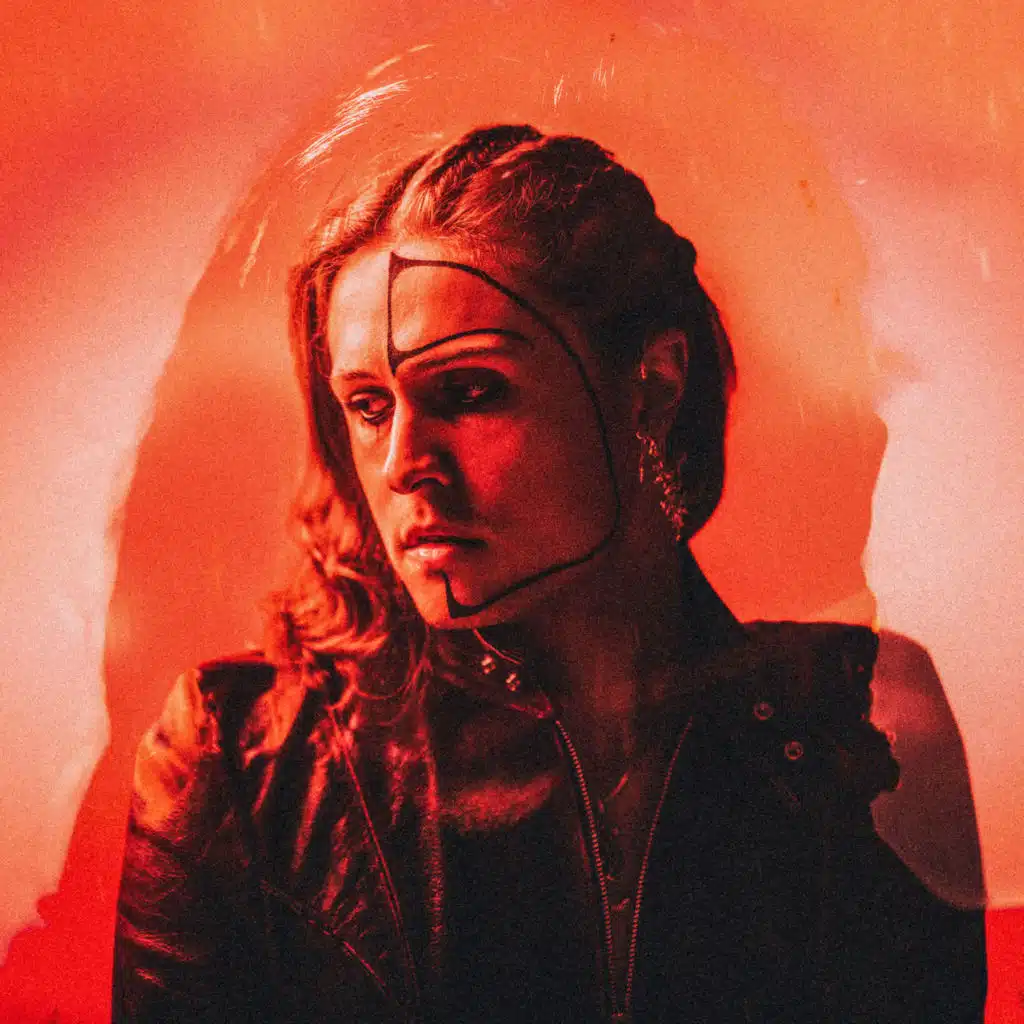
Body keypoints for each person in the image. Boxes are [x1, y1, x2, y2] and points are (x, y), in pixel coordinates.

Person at [111, 124, 986, 1023]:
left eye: (471, 391)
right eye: (369, 406)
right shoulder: (239, 763)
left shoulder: (859, 717)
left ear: (652, 385)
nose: (405, 462)